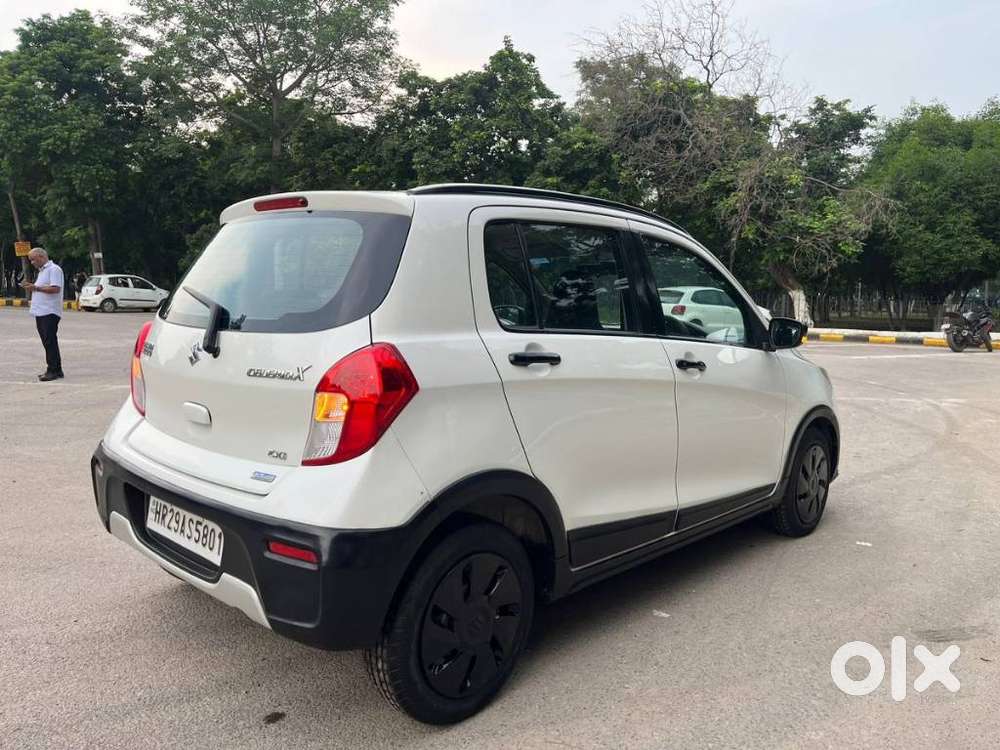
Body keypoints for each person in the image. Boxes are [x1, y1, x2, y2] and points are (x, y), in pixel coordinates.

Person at [21, 247, 65, 381]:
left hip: (49, 311)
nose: (32, 263)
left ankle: (54, 370)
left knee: (50, 341)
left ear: (41, 256)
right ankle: (54, 369)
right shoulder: (43, 271)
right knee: (47, 342)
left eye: (33, 259)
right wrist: (33, 287)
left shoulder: (54, 269)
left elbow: (55, 289)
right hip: (41, 312)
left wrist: (36, 288)